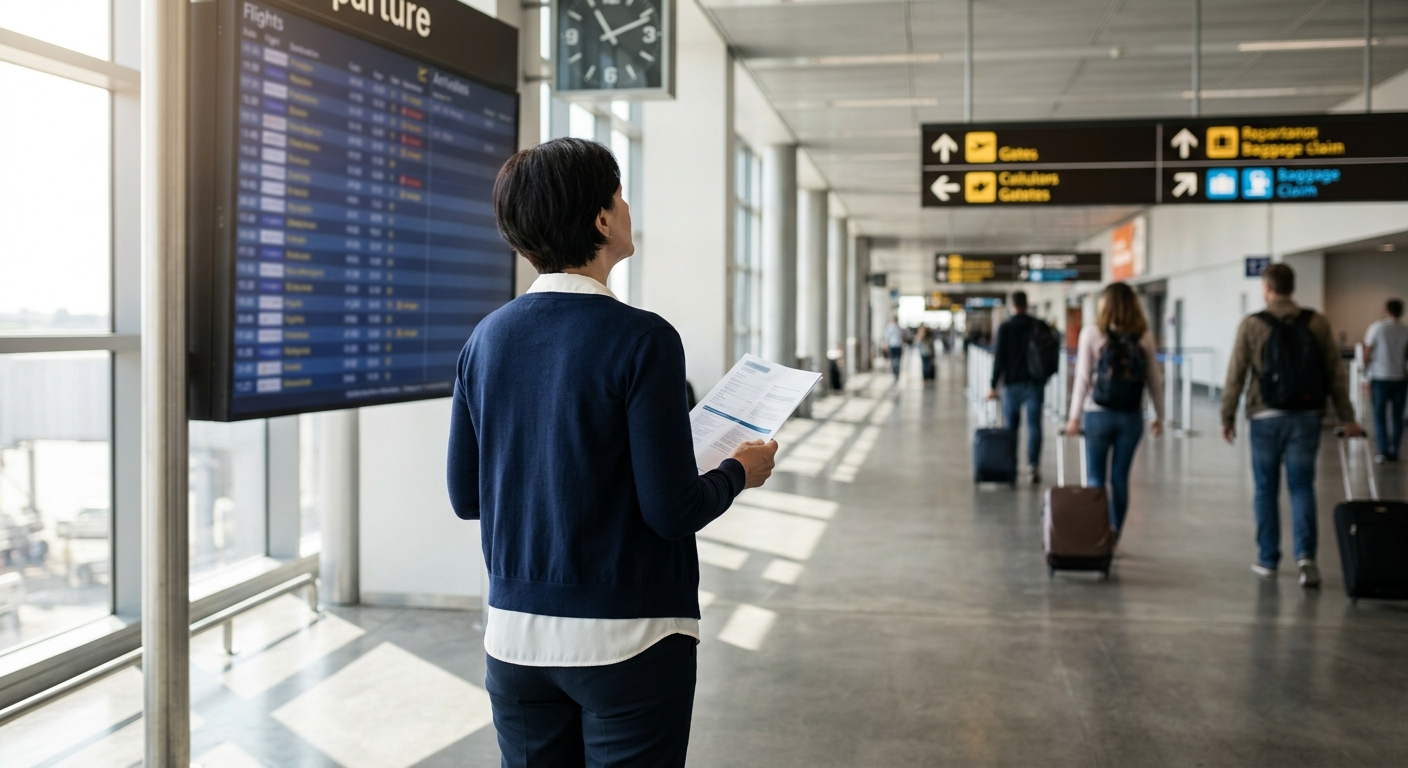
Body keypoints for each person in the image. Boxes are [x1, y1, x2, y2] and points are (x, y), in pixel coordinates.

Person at [446, 138, 779, 767]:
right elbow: (671, 511)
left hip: (515, 637)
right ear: (602, 220)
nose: (628, 209)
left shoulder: (484, 341)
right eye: (620, 196)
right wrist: (740, 470)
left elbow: (468, 497)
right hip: (631, 637)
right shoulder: (643, 339)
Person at [1221, 263, 1363, 588]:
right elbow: (1334, 373)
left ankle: (1268, 559)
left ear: (1267, 288)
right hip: (1307, 415)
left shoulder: (1252, 325)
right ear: (1292, 287)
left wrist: (1227, 416)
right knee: (1301, 487)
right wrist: (1347, 417)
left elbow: (1235, 374)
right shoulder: (1317, 322)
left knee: (1265, 488)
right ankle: (1306, 558)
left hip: (1264, 417)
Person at [1064, 283, 1164, 536]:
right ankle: (1114, 533)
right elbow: (1154, 379)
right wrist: (1159, 415)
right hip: (1131, 416)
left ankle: (1098, 534)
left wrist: (1074, 417)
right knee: (1120, 478)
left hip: (1097, 414)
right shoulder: (1144, 336)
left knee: (1096, 477)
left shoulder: (1092, 333)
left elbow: (1083, 379)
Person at [987, 291, 1049, 483]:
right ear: (1027, 304)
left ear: (1012, 305)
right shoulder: (1039, 325)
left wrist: (992, 385)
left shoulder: (1005, 328)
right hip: (1035, 384)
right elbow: (1050, 353)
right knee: (1034, 426)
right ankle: (1033, 466)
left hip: (1012, 384)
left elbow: (1000, 359)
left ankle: (1011, 466)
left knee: (1011, 428)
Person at [1363, 298, 1408, 462]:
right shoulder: (1405, 330)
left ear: (1386, 311)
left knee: (1379, 416)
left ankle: (1382, 450)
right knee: (1397, 416)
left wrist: (1365, 374)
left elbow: (1367, 352)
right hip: (1400, 378)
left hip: (1380, 377)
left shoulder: (1377, 328)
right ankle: (1394, 449)